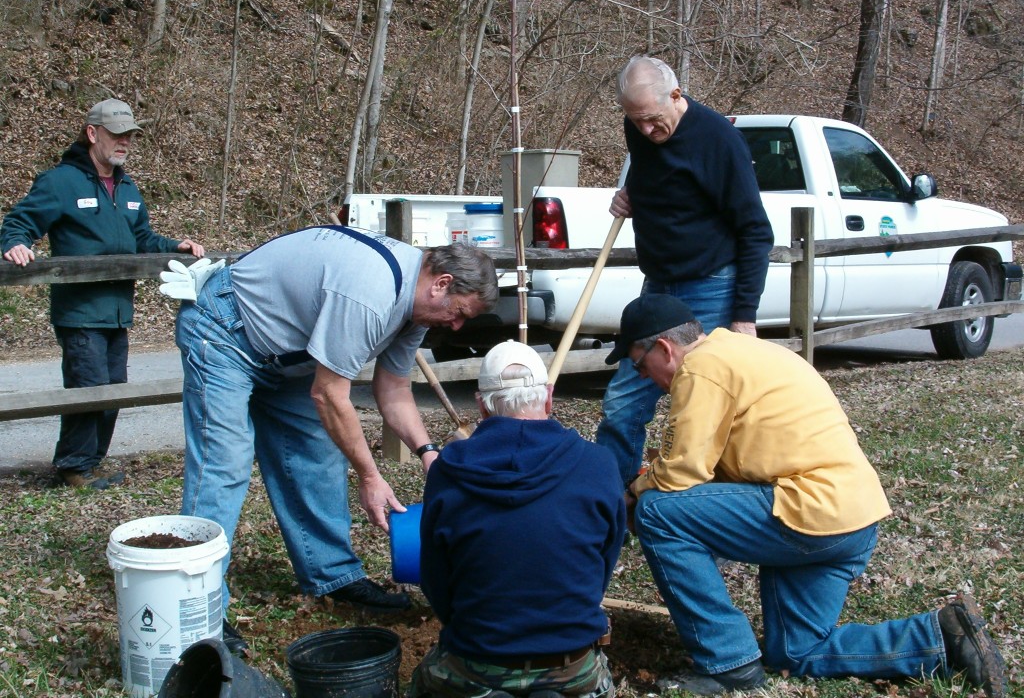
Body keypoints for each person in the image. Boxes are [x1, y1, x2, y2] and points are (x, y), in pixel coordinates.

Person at [608, 293, 1007, 697]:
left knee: (658, 511)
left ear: (664, 348)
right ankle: (940, 636)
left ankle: (728, 663)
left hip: (806, 512)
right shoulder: (739, 351)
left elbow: (682, 470)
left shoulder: (701, 369)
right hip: (851, 518)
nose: (642, 376)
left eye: (639, 364)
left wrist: (632, 494)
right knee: (797, 652)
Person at [174, 226, 498, 650]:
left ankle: (332, 576)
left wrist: (428, 453)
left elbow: (394, 389)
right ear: (441, 284)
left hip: (287, 353)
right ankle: (200, 611)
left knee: (316, 452)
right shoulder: (371, 292)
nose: (456, 327)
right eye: (458, 312)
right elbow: (329, 394)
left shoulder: (415, 310)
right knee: (225, 463)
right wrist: (370, 475)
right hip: (223, 330)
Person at [0, 98, 204, 490]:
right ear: (93, 134)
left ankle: (92, 463)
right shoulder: (61, 181)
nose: (124, 142)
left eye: (129, 136)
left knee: (112, 391)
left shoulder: (127, 186)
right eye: (117, 135)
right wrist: (15, 243)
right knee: (89, 389)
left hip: (117, 310)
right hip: (79, 312)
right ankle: (75, 466)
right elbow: (20, 222)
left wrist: (172, 245)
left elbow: (140, 237)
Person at [409, 340, 626, 698]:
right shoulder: (599, 464)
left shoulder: (447, 471)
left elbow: (435, 579)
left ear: (481, 405)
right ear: (549, 397)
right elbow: (602, 567)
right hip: (570, 664)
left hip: (475, 658)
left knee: (421, 685)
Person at [596, 55, 774, 487]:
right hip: (659, 287)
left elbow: (755, 231)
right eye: (634, 121)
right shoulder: (640, 128)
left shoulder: (719, 141)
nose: (644, 131)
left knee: (708, 399)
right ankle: (609, 506)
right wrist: (632, 195)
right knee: (624, 398)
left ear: (676, 95)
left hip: (713, 283)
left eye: (652, 120)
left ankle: (715, 504)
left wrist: (744, 315)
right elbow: (657, 175)